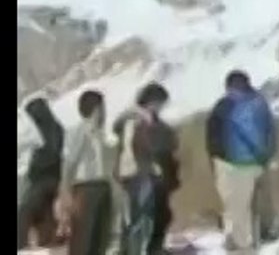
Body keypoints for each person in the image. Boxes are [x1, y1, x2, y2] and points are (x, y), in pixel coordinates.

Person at [206, 70, 277, 248]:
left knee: (237, 209)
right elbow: (271, 130)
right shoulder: (261, 103)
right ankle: (263, 234)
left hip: (233, 164)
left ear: (228, 86)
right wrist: (266, 156)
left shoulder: (224, 105)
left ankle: (241, 245)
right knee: (258, 205)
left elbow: (213, 137)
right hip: (259, 163)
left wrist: (216, 161)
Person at [115, 82, 178, 255]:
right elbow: (136, 147)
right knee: (139, 217)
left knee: (157, 214)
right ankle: (133, 250)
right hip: (138, 174)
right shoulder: (134, 120)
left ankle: (151, 248)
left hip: (149, 175)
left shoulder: (150, 121)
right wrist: (148, 168)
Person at [58, 90, 112, 255]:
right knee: (83, 239)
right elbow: (69, 163)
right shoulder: (79, 131)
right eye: (103, 108)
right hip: (85, 188)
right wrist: (65, 193)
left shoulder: (101, 133)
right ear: (96, 109)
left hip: (102, 186)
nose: (105, 113)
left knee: (100, 239)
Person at [18, 97, 63, 250]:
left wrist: (32, 169)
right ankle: (48, 242)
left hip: (42, 180)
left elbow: (47, 155)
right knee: (46, 214)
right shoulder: (55, 127)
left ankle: (20, 245)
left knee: (24, 212)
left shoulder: (42, 130)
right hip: (54, 179)